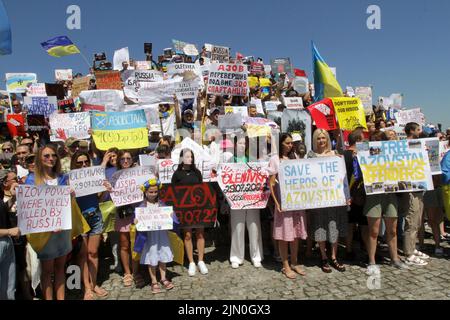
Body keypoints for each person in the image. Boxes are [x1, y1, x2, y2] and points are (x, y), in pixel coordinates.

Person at [25, 145, 72, 300]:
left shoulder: (62, 177)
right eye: (46, 156)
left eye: (53, 155)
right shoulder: (32, 179)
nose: (51, 158)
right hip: (45, 233)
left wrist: (71, 195)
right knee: (47, 271)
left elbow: (66, 204)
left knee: (60, 268)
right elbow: (30, 205)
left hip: (62, 230)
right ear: (39, 158)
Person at [363, 131, 408, 275]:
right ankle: (371, 261)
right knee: (374, 231)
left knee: (393, 230)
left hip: (390, 194)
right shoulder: (368, 153)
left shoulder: (393, 155)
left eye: (381, 140)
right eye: (375, 140)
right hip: (374, 195)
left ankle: (394, 258)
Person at [307, 129, 347, 273]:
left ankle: (334, 256)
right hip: (318, 199)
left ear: (328, 140)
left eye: (323, 138)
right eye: (318, 138)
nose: (321, 141)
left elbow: (343, 178)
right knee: (319, 227)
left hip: (333, 199)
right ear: (314, 140)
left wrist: (346, 195)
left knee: (333, 226)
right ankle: (323, 257)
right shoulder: (310, 156)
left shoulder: (336, 155)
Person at [268, 133, 307, 279]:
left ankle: (295, 262)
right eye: (287, 143)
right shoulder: (275, 159)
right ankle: (285, 265)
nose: (291, 145)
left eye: (291, 143)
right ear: (281, 143)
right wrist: (276, 203)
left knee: (295, 234)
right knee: (284, 236)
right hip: (283, 204)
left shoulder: (295, 157)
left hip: (296, 202)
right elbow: (271, 184)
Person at [70, 151, 108, 300]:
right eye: (79, 162)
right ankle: (87, 287)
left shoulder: (93, 175)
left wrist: (104, 190)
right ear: (74, 163)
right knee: (82, 255)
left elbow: (99, 198)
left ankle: (94, 284)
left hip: (95, 216)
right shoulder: (70, 178)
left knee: (93, 252)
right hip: (80, 219)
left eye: (86, 161)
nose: (84, 164)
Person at [171, 148, 208, 276]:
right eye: (187, 156)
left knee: (200, 234)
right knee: (187, 235)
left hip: (198, 208)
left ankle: (201, 261)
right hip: (184, 210)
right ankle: (191, 262)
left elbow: (202, 190)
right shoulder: (177, 175)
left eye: (191, 156)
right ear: (181, 158)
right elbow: (173, 193)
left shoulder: (197, 172)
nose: (190, 159)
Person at [228, 136, 264, 269]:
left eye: (244, 143)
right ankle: (236, 256)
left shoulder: (253, 160)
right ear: (235, 145)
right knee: (237, 227)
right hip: (236, 198)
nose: (242, 146)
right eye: (240, 143)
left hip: (252, 198)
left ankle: (256, 256)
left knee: (254, 226)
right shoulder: (230, 161)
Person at [137, 179, 174, 294]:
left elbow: (169, 217)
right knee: (151, 256)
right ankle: (154, 281)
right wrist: (136, 220)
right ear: (145, 192)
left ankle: (163, 277)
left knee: (163, 254)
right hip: (149, 236)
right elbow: (138, 221)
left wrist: (171, 216)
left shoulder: (161, 204)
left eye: (155, 192)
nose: (153, 194)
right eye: (151, 192)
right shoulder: (142, 206)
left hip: (161, 234)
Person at [402, 122, 430, 266]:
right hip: (411, 188)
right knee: (411, 220)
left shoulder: (418, 144)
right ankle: (408, 253)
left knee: (418, 220)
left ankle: (413, 247)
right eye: (418, 129)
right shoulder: (404, 146)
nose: (420, 131)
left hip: (420, 186)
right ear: (412, 130)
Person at [343, 128, 369, 261]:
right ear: (358, 140)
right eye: (363, 139)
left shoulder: (341, 155)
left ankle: (348, 250)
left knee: (350, 224)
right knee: (364, 224)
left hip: (347, 195)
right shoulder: (363, 156)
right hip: (361, 195)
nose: (365, 141)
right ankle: (368, 250)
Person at [0, 169, 20, 300]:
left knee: (8, 286)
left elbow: (3, 210)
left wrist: (13, 198)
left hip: (6, 241)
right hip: (4, 238)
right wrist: (9, 231)